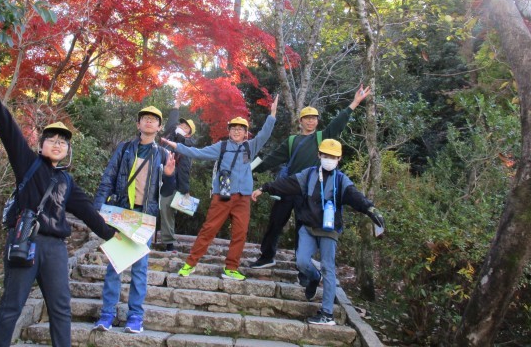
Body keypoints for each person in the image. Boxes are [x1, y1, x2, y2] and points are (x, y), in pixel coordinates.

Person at [0, 72, 118, 347]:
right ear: (41, 145)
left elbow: (88, 213)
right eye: (52, 140)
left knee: (61, 309)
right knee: (11, 306)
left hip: (55, 249)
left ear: (67, 150)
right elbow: (10, 134)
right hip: (25, 240)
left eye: (63, 142)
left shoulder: (67, 181)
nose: (58, 144)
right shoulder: (28, 163)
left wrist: (114, 235)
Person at [252, 138, 385, 325]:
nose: (329, 159)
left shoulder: (341, 180)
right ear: (319, 155)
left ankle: (327, 314)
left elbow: (355, 196)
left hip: (329, 229)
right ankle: (314, 277)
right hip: (308, 226)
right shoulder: (309, 174)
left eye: (333, 156)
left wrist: (371, 209)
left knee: (328, 268)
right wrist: (264, 187)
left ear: (339, 159)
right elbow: (288, 183)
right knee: (302, 261)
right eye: (326, 155)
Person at [250, 86, 370, 270]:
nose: (310, 121)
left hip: (309, 190)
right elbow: (272, 159)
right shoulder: (292, 141)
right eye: (307, 118)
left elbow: (338, 123)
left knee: (303, 226)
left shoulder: (322, 138)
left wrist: (354, 103)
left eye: (314, 118)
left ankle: (302, 262)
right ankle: (267, 256)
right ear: (301, 121)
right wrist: (250, 169)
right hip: (289, 187)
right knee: (275, 222)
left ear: (317, 121)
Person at [162, 95, 278, 281]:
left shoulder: (251, 147)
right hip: (223, 195)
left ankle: (231, 268)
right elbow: (197, 153)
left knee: (240, 233)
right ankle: (190, 263)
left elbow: (265, 134)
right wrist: (176, 146)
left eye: (240, 129)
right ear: (229, 131)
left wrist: (272, 115)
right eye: (233, 128)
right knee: (209, 229)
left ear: (246, 133)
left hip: (243, 197)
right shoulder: (222, 147)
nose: (237, 131)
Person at [92, 106, 176, 334]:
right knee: (115, 265)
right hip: (121, 213)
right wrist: (97, 208)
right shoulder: (125, 148)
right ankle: (107, 313)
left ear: (159, 127)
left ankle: (135, 316)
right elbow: (109, 177)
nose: (149, 122)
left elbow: (167, 192)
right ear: (138, 124)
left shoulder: (163, 154)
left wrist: (169, 176)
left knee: (140, 268)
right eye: (145, 118)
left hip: (144, 216)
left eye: (153, 120)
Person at [159, 100, 196, 252]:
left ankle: (169, 242)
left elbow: (184, 169)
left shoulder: (187, 146)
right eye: (181, 125)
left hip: (171, 182)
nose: (181, 127)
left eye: (186, 127)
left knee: (166, 209)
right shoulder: (169, 136)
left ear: (189, 133)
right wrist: (176, 108)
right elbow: (171, 124)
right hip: (155, 176)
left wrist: (184, 189)